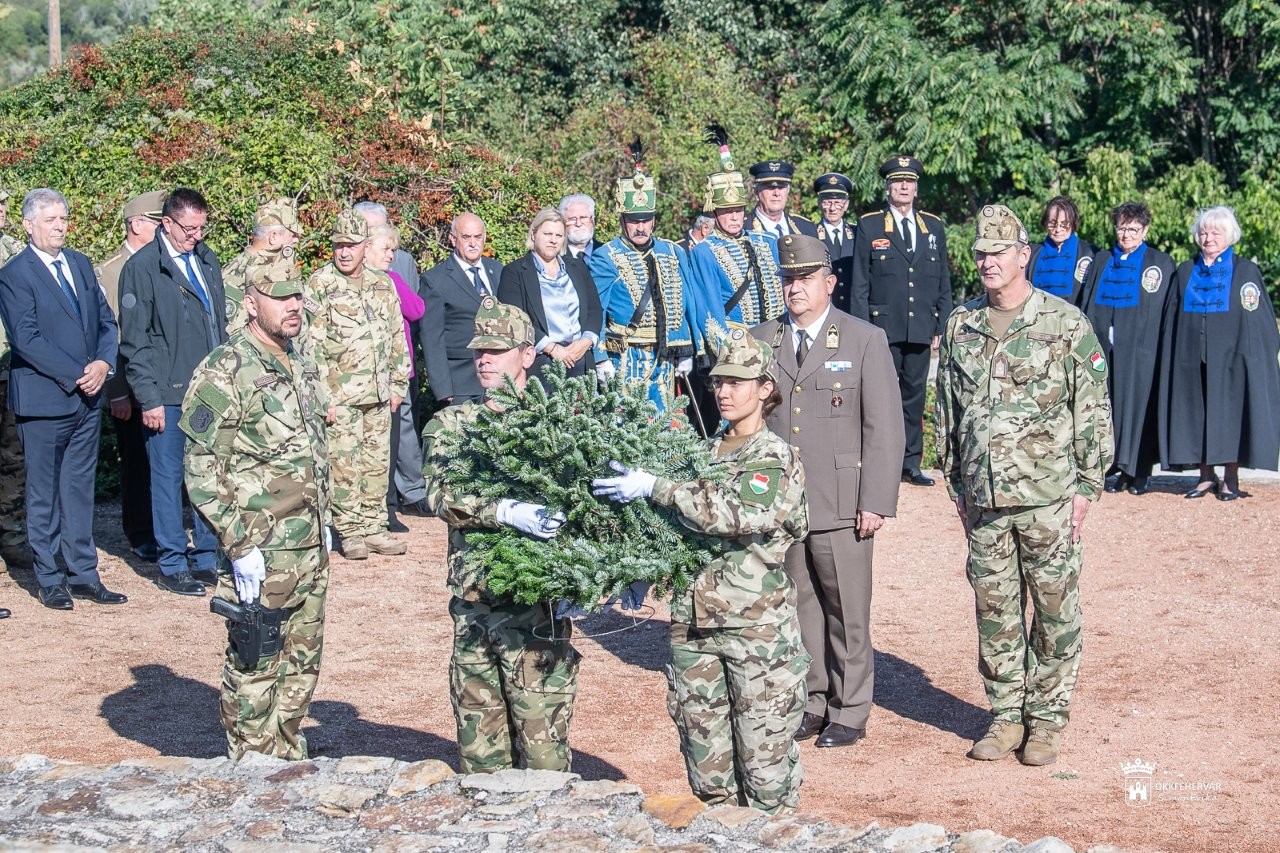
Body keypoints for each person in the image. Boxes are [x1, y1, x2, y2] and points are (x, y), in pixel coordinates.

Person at [591, 331, 809, 813]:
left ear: (765, 388)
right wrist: (637, 570)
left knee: (765, 776)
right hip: (692, 628)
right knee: (709, 774)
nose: (724, 392)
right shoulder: (702, 453)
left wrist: (659, 487)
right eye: (718, 383)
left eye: (737, 382)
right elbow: (671, 532)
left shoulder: (773, 456)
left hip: (754, 630)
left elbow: (736, 514)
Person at [935, 204, 1112, 767]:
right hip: (984, 499)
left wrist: (1088, 487)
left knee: (1055, 610)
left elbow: (1092, 408)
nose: (988, 262)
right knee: (996, 612)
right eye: (980, 253)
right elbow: (947, 409)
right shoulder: (961, 325)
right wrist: (956, 484)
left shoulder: (1064, 323)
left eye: (998, 252)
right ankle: (1006, 715)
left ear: (1022, 255)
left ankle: (1047, 719)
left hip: (1049, 497)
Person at [751, 234, 904, 748]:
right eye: (788, 279)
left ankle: (850, 708)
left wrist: (874, 500)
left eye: (806, 278)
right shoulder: (761, 339)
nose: (795, 288)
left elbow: (883, 427)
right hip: (783, 502)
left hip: (841, 500)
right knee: (801, 607)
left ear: (829, 283)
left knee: (847, 611)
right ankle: (814, 700)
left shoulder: (863, 340)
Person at [181, 255, 332, 760]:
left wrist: (324, 519)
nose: (293, 306)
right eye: (280, 297)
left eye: (297, 296)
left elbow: (312, 451)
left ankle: (289, 761)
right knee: (256, 663)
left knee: (301, 664)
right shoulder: (225, 370)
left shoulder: (301, 364)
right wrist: (238, 544)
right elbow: (202, 469)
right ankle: (252, 770)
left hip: (308, 545)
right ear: (250, 304)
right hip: (260, 549)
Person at [423, 297, 579, 773]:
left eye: (496, 350)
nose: (484, 360)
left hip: (537, 611)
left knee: (544, 754)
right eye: (478, 351)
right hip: (474, 606)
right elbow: (441, 495)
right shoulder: (453, 425)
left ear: (528, 355)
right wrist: (506, 511)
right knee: (481, 757)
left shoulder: (560, 425)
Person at [0, 189, 126, 610]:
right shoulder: (15, 274)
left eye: (64, 218)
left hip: (87, 400)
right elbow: (26, 339)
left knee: (78, 490)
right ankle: (50, 577)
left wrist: (103, 364)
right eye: (50, 219)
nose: (60, 226)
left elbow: (106, 321)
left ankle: (84, 574)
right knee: (43, 494)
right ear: (28, 225)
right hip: (45, 400)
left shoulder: (80, 263)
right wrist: (79, 374)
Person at [119, 187, 227, 596]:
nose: (196, 236)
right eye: (188, 229)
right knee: (167, 478)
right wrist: (148, 398)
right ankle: (172, 562)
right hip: (167, 393)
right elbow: (135, 342)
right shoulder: (143, 268)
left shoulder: (206, 258)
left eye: (201, 228)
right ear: (166, 223)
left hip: (207, 392)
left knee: (206, 473)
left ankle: (205, 556)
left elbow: (217, 323)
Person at [305, 210, 410, 560]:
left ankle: (374, 527)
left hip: (379, 393)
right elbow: (311, 347)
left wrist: (398, 384)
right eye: (339, 245)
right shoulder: (321, 284)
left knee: (376, 464)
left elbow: (397, 336)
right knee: (345, 467)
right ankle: (350, 532)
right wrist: (323, 397)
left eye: (351, 245)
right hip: (341, 396)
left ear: (366, 245)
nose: (345, 252)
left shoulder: (383, 283)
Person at [1159, 205, 1280, 500]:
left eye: (1216, 232)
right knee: (1196, 414)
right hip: (1190, 357)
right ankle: (1204, 476)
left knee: (1230, 416)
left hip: (1231, 359)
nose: (1208, 238)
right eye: (1203, 232)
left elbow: (1258, 319)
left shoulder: (1244, 271)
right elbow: (1171, 318)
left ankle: (1230, 478)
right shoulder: (1186, 271)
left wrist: (1253, 357)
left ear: (1229, 235)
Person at [851, 155, 952, 487]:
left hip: (920, 327)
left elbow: (943, 280)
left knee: (914, 397)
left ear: (916, 188)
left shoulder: (932, 227)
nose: (904, 187)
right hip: (882, 328)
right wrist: (863, 330)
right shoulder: (870, 226)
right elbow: (860, 284)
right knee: (879, 397)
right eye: (897, 181)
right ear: (888, 187)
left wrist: (942, 323)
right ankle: (880, 463)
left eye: (909, 182)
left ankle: (911, 463)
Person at [588, 141, 704, 409]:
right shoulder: (606, 256)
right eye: (634, 220)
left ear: (654, 220)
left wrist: (688, 349)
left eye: (645, 220)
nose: (640, 227)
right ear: (622, 220)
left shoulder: (673, 251)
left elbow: (686, 302)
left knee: (664, 420)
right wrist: (599, 357)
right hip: (625, 356)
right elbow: (596, 311)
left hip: (665, 355)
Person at [1079, 201, 1175, 496]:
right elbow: (1087, 302)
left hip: (1141, 352)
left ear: (1145, 230)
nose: (1126, 234)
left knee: (1138, 407)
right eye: (1122, 228)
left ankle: (1139, 470)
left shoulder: (1159, 263)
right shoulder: (1102, 259)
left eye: (1133, 229)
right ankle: (1118, 467)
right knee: (1109, 406)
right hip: (1105, 350)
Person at [95, 190, 166, 562]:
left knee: (165, 463)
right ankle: (141, 533)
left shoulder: (165, 261)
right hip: (130, 384)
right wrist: (117, 391)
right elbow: (109, 335)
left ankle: (165, 530)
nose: (163, 227)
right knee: (137, 462)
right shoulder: (110, 271)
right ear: (137, 224)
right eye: (156, 221)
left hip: (164, 381)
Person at [689, 125, 786, 343]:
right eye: (727, 211)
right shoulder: (704, 252)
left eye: (738, 210)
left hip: (777, 338)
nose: (734, 216)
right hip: (737, 343)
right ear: (715, 212)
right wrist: (726, 351)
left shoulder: (767, 241)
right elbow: (710, 311)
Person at [366, 222, 428, 529]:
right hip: (365, 377)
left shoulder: (392, 279)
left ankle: (389, 507)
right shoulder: (379, 281)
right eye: (386, 249)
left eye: (393, 250)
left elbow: (417, 309)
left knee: (391, 444)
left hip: (396, 375)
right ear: (366, 248)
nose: (391, 256)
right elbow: (416, 309)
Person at [497, 208, 602, 381]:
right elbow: (514, 319)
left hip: (581, 360)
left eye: (559, 236)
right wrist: (552, 348)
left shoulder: (577, 267)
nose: (553, 240)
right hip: (542, 363)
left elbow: (594, 310)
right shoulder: (515, 272)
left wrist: (586, 342)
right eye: (547, 234)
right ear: (534, 234)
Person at [420, 212, 505, 406]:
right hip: (460, 381)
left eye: (478, 237)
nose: (473, 243)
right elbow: (432, 338)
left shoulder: (498, 270)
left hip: (498, 379)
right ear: (453, 239)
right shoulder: (435, 280)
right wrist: (442, 387)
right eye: (466, 237)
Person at [0, 187, 29, 569]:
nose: (1, 210)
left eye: (4, 203)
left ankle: (12, 535)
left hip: (12, 369)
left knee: (13, 456)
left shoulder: (16, 253)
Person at [221, 199, 303, 333]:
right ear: (273, 237)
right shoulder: (238, 275)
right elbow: (232, 331)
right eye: (292, 235)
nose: (296, 239)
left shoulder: (272, 268)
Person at [1026, 196, 1094, 305]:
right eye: (1052, 223)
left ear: (1073, 223)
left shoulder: (1090, 253)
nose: (1057, 229)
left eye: (1064, 224)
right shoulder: (1032, 252)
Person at [813, 173, 857, 314]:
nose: (833, 208)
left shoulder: (857, 233)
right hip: (824, 307)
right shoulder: (811, 233)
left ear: (846, 205)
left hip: (852, 307)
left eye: (838, 202)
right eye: (827, 202)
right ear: (820, 204)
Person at [353, 201, 419, 288]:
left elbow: (412, 295)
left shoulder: (403, 261)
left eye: (383, 228)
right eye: (371, 229)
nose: (379, 234)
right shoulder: (345, 260)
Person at [745, 161, 819, 239]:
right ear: (756, 192)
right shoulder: (743, 229)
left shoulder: (806, 228)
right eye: (770, 187)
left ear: (788, 191)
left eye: (781, 187)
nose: (776, 193)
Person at [559, 194, 602, 260]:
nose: (578, 224)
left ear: (593, 220)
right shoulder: (555, 257)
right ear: (563, 222)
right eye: (572, 219)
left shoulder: (606, 254)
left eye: (583, 218)